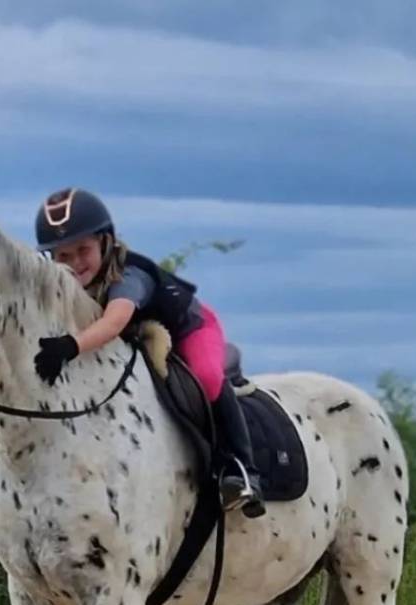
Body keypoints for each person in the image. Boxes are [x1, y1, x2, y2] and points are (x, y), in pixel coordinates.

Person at [33, 187, 265, 518]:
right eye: (63, 256)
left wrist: (69, 347)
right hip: (143, 338)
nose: (75, 264)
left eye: (82, 250)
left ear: (105, 241)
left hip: (191, 328)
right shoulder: (63, 288)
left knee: (208, 377)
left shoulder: (128, 275)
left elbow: (114, 322)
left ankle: (243, 469)